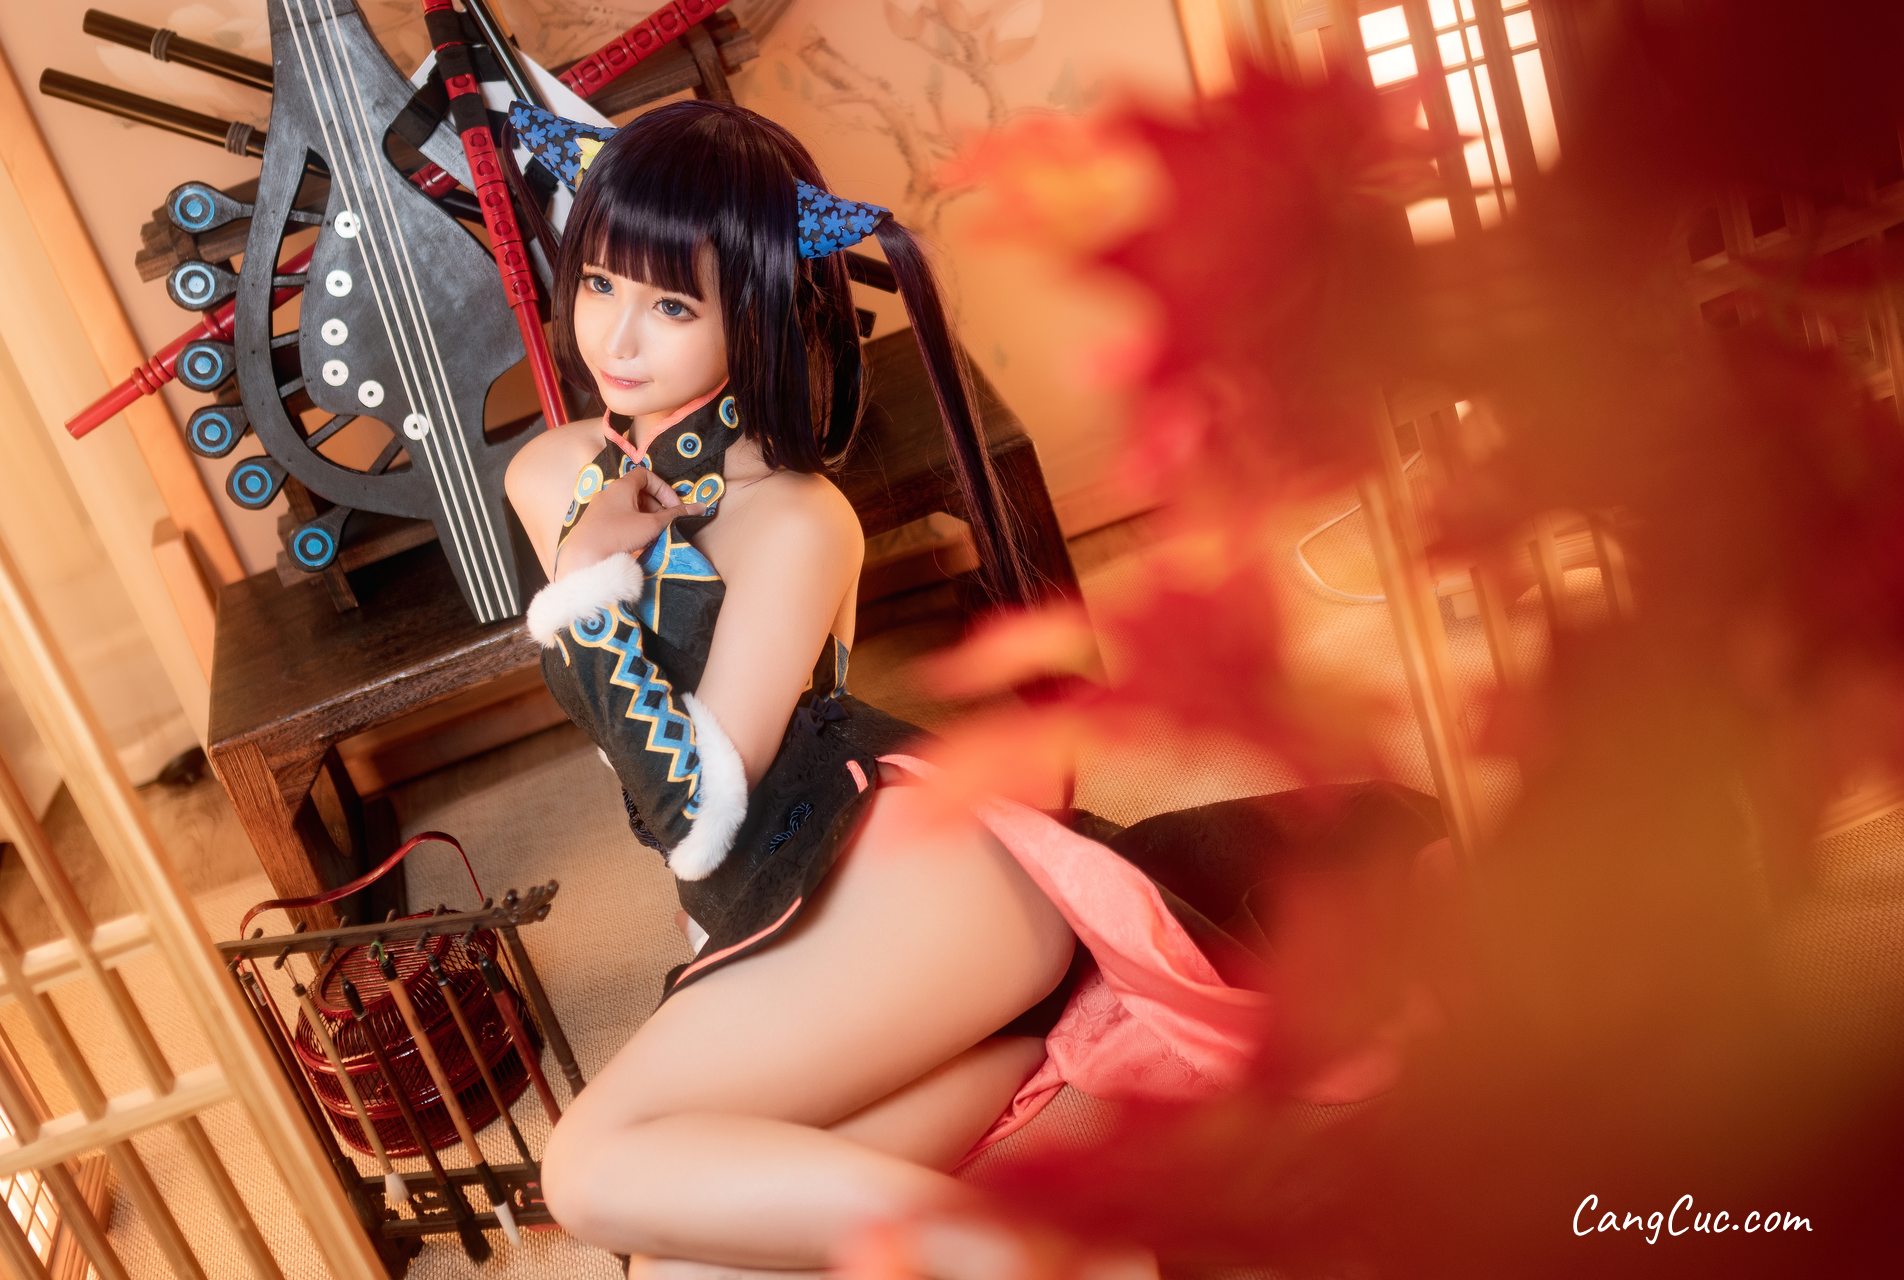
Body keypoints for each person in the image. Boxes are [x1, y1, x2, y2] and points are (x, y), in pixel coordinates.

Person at [504, 99, 1441, 1277]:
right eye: (599, 282)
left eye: (672, 304)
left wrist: (588, 585)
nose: (617, 335)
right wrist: (715, 965)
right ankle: (1016, 1051)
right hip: (805, 915)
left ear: (750, 309)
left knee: (586, 1171)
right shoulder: (551, 473)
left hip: (923, 877)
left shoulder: (797, 522)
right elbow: (678, 835)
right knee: (689, 1255)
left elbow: (693, 809)